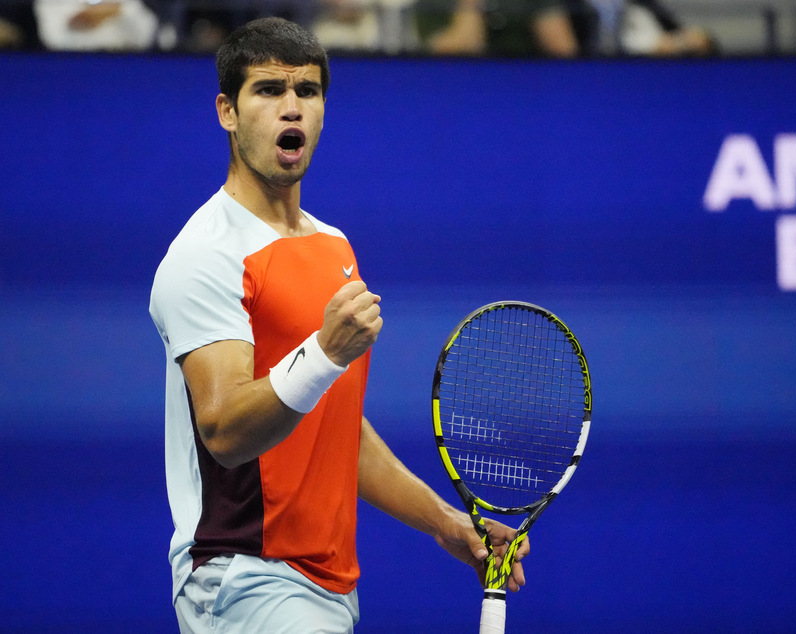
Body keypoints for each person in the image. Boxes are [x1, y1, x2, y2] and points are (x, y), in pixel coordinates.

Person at [148, 16, 527, 632]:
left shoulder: (333, 246)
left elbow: (334, 431)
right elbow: (222, 430)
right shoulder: (205, 256)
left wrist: (446, 522)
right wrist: (324, 353)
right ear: (227, 112)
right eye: (269, 90)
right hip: (247, 576)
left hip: (327, 584)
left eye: (308, 91)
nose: (291, 108)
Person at [416, 0, 580, 58]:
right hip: (464, 90)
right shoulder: (429, 3)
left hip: (526, 86)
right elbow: (464, 51)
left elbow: (564, 50)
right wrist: (471, 4)